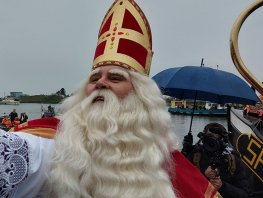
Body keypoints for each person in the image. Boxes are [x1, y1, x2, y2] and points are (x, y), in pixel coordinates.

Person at [0, 1, 222, 197]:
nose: (101, 83)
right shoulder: (51, 143)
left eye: (115, 77)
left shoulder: (167, 162)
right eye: (94, 77)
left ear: (140, 97)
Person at [182, 122, 250, 198]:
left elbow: (244, 194)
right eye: (209, 137)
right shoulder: (195, 155)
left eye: (216, 138)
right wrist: (184, 152)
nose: (212, 142)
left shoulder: (233, 160)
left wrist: (222, 186)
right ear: (203, 139)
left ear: (224, 142)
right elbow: (181, 182)